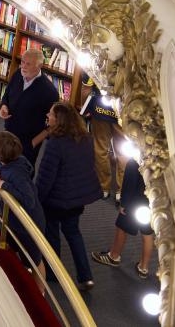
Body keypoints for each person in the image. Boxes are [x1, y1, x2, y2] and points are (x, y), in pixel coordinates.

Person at [35, 103, 102, 290]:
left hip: (56, 200)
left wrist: (36, 199)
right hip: (77, 198)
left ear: (59, 120)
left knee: (52, 233)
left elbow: (45, 177)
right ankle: (86, 276)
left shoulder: (55, 144)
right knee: (73, 233)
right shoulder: (86, 139)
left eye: (51, 114)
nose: (47, 115)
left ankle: (53, 271)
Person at [0, 131, 46, 283]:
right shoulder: (15, 160)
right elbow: (3, 165)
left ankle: (41, 294)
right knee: (5, 247)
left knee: (34, 261)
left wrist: (3, 185)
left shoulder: (16, 173)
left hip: (28, 225)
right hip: (13, 221)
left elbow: (29, 200)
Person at [91, 156, 156, 280]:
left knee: (121, 226)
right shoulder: (160, 161)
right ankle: (144, 267)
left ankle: (113, 256)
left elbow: (129, 184)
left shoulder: (136, 160)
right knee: (147, 234)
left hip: (133, 202)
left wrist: (124, 204)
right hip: (150, 203)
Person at [0, 48, 59, 165]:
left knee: (23, 172)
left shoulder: (49, 92)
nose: (23, 66)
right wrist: (4, 107)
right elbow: (7, 94)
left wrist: (34, 142)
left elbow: (53, 124)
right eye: (22, 62)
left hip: (28, 140)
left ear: (39, 66)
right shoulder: (17, 74)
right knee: (4, 166)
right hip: (9, 133)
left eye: (28, 64)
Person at [79, 75, 126, 199]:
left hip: (101, 110)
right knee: (124, 152)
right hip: (123, 112)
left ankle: (103, 187)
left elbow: (86, 88)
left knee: (100, 149)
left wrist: (85, 107)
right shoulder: (133, 60)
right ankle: (122, 191)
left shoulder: (99, 56)